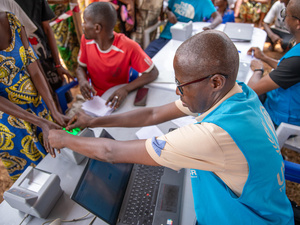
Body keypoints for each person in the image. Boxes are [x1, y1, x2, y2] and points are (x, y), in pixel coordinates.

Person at [48, 29, 294, 224]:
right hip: (267, 207)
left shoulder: (213, 135)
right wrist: (93, 121)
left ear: (215, 81)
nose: (177, 91)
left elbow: (111, 152)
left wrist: (64, 139)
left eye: (182, 85)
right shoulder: (238, 93)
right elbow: (153, 113)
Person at [0, 12, 68, 180]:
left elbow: (34, 69)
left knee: (60, 161)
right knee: (37, 179)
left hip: (38, 106)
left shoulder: (11, 20)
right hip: (11, 126)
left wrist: (53, 110)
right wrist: (41, 122)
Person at [77, 2, 158, 109]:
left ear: (97, 28)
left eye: (85, 22)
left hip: (116, 98)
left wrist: (125, 89)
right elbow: (80, 67)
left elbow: (153, 72)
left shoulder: (128, 46)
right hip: (94, 100)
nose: (83, 26)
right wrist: (82, 80)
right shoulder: (86, 40)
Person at [247, 0, 300, 127]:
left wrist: (258, 70)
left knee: (239, 101)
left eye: (285, 14)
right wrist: (264, 57)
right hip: (282, 103)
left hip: (280, 117)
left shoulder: (296, 61)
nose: (284, 18)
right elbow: (286, 69)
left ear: (298, 23)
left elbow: (252, 91)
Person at [14, 0, 74, 107]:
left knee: (59, 102)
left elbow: (47, 29)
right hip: (25, 67)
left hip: (45, 60)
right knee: (46, 105)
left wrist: (57, 64)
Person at [144, 0, 223, 58]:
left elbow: (218, 17)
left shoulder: (204, 2)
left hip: (186, 41)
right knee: (145, 58)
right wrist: (168, 12)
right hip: (165, 37)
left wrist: (210, 27)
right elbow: (167, 8)